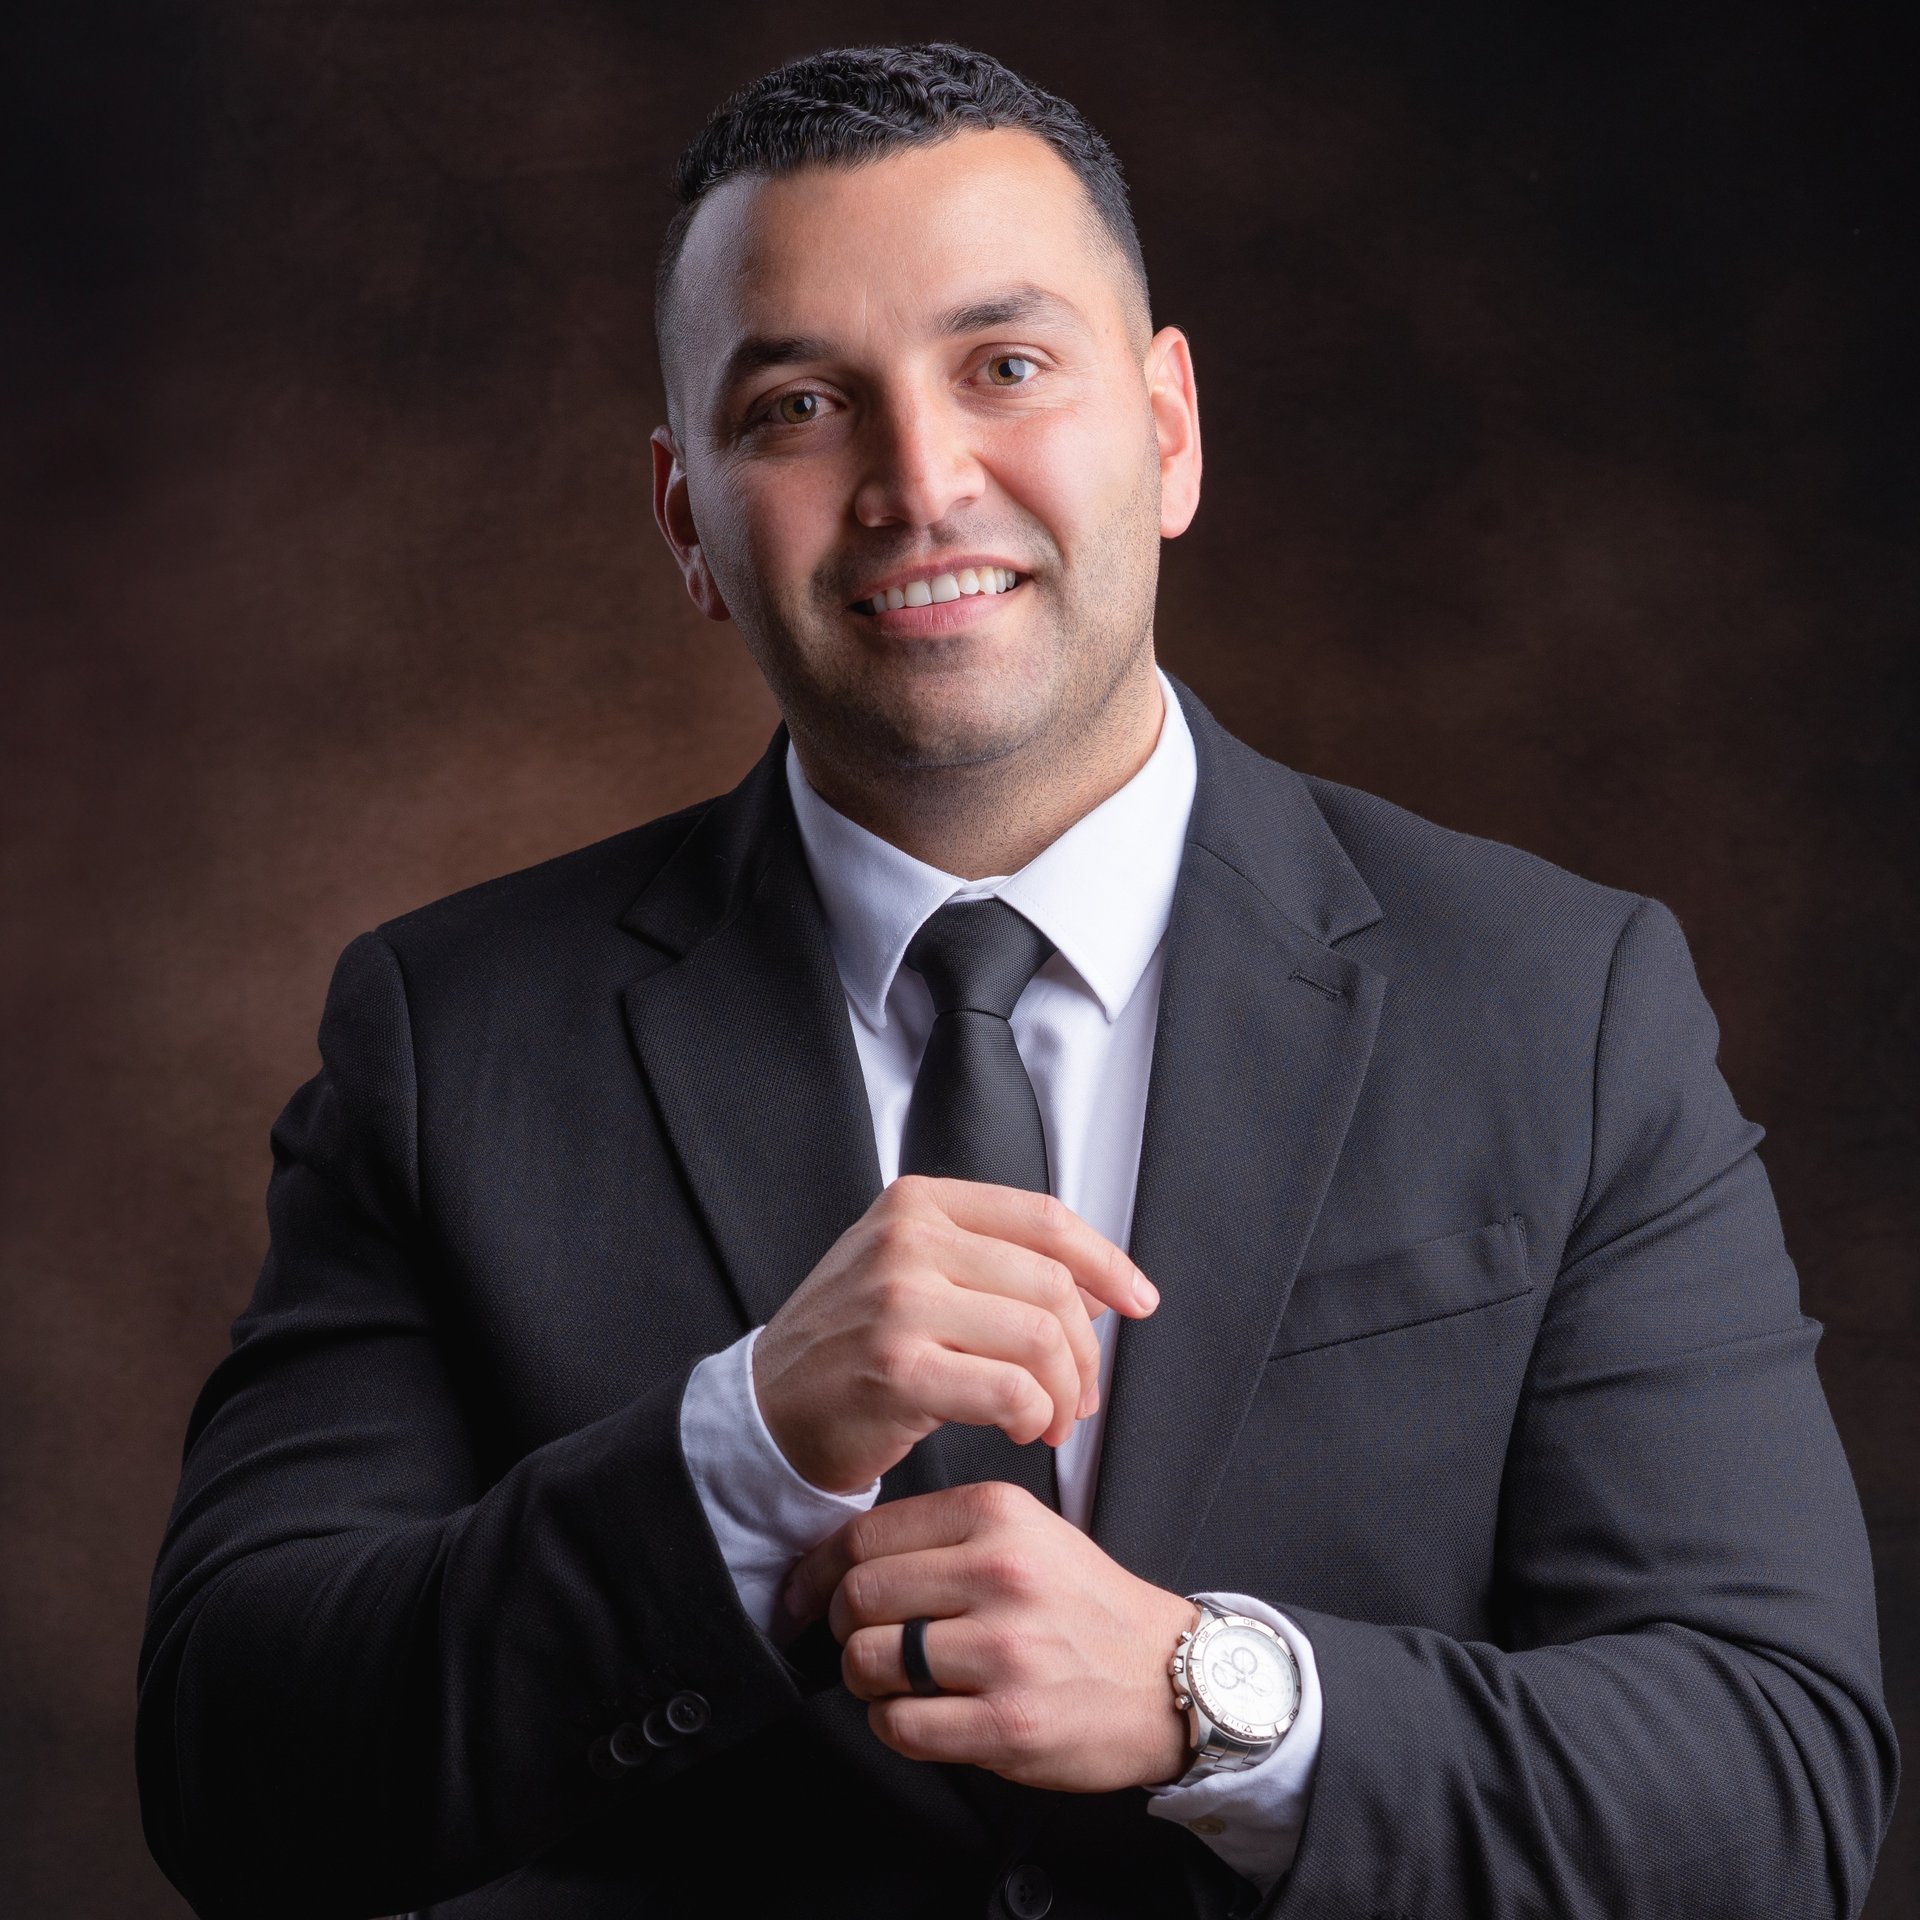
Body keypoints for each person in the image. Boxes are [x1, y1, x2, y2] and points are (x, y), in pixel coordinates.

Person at [136, 41, 1898, 1920]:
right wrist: (739, 1455)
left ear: (1171, 430)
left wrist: (1215, 1699)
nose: (919, 481)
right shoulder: (446, 1038)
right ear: (686, 523)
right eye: (800, 405)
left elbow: (1777, 1787)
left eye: (1005, 366)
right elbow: (237, 1779)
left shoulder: (1567, 1005)